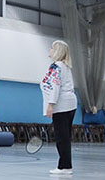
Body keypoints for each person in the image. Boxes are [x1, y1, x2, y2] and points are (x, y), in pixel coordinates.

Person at [40, 40, 77, 175]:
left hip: (62, 105)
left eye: (51, 48)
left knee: (62, 137)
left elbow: (55, 87)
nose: (49, 50)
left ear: (57, 51)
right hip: (70, 104)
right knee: (65, 137)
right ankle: (65, 165)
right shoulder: (65, 66)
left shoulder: (56, 66)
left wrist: (51, 104)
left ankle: (65, 167)